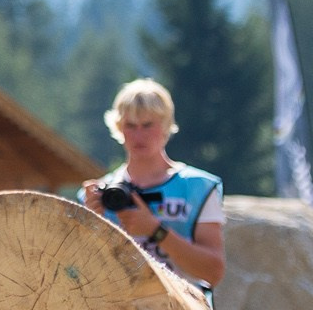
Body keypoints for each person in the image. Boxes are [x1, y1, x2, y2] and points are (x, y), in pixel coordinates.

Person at [78, 78, 226, 291]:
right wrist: (91, 221)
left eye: (148, 125)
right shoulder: (100, 194)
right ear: (119, 128)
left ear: (166, 126)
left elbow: (213, 272)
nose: (139, 135)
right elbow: (78, 273)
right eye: (130, 125)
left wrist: (155, 231)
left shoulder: (198, 187)